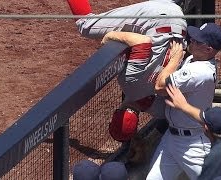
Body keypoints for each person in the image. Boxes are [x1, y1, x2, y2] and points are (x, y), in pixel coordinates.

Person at [66, 0, 188, 142]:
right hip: (157, 18)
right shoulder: (130, 85)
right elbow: (142, 42)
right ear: (114, 114)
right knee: (86, 25)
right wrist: (111, 36)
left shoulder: (160, 110)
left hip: (180, 21)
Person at [146, 23, 221, 180]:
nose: (192, 41)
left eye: (198, 41)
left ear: (208, 49)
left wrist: (175, 59)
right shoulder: (194, 59)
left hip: (193, 144)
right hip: (171, 138)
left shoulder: (199, 73)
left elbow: (159, 86)